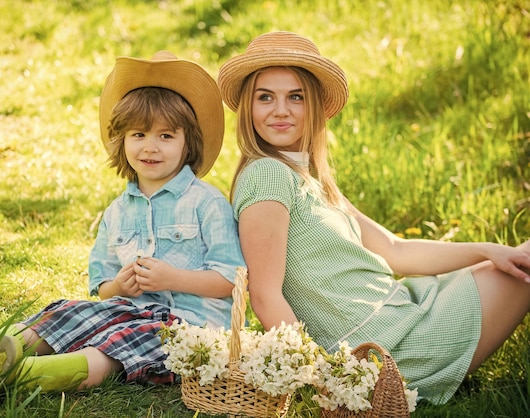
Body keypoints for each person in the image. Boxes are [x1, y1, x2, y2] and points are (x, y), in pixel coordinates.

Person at [217, 31, 530, 404]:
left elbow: (396, 250)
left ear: (314, 107)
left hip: (406, 313)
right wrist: (328, 382)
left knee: (514, 260)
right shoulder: (267, 175)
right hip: (381, 351)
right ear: (248, 110)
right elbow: (265, 295)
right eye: (264, 97)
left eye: (295, 97)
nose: (280, 110)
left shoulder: (309, 178)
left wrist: (488, 250)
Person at [0, 50, 245, 392]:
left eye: (166, 136)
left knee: (119, 343)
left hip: (188, 330)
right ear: (122, 140)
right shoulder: (118, 212)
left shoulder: (207, 203)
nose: (151, 147)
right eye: (138, 135)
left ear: (187, 142)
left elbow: (231, 280)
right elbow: (103, 286)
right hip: (128, 310)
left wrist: (171, 277)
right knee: (68, 312)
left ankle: (23, 377)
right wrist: (121, 286)